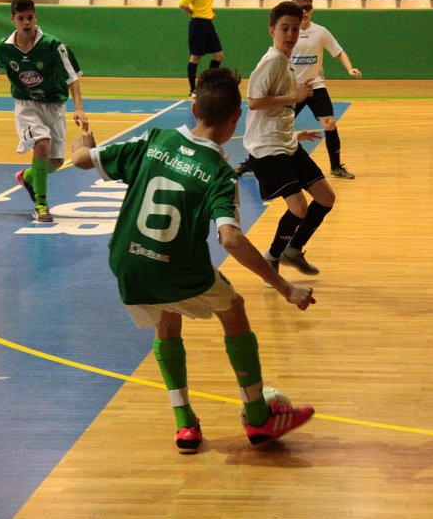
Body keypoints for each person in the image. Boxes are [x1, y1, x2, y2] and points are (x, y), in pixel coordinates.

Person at [70, 68, 316, 453]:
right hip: (177, 268)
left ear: (194, 108)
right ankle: (258, 417)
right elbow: (230, 238)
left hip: (128, 262)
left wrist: (82, 143)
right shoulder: (219, 173)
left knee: (167, 317)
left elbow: (82, 161)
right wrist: (284, 287)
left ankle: (185, 424)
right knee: (233, 310)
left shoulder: (154, 140)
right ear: (236, 118)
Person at [0, 0, 89, 223]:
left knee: (55, 162)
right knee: (42, 144)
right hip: (26, 105)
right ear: (13, 19)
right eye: (21, 18)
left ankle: (27, 176)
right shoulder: (5, 47)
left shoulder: (53, 45)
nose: (26, 22)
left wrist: (79, 108)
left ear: (35, 17)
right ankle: (41, 205)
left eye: (30, 17)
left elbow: (72, 78)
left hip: (54, 105)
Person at [242, 1, 336, 279]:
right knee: (299, 208)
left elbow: (276, 110)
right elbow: (254, 101)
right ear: (272, 30)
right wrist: (294, 97)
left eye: (295, 29)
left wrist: (294, 133)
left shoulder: (286, 62)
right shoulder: (271, 61)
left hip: (286, 143)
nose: (291, 34)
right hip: (267, 149)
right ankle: (271, 258)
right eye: (285, 28)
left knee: (326, 198)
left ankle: (293, 250)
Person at [288, 0, 361, 179]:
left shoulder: (320, 32)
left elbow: (339, 52)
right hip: (293, 88)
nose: (304, 11)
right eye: (300, 8)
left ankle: (336, 167)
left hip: (316, 86)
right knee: (277, 126)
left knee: (329, 123)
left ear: (312, 9)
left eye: (308, 7)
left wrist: (350, 69)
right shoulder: (288, 32)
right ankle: (252, 162)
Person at [178, 0, 224, 97]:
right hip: (197, 25)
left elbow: (205, 4)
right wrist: (192, 13)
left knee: (219, 55)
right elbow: (182, 4)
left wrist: (209, 12)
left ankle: (208, 85)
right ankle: (193, 90)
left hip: (208, 24)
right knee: (195, 57)